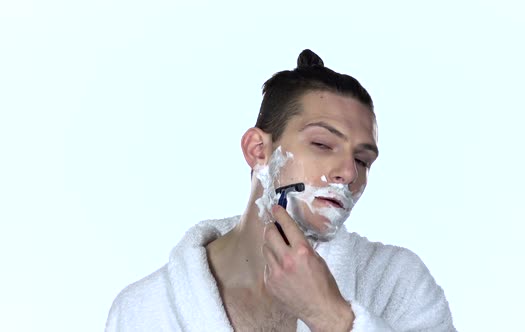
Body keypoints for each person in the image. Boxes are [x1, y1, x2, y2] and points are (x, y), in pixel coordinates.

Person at [105, 49, 455, 331]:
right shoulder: (146, 310)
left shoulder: (397, 283)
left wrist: (331, 317)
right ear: (258, 150)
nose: (348, 173)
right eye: (322, 144)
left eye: (363, 161)